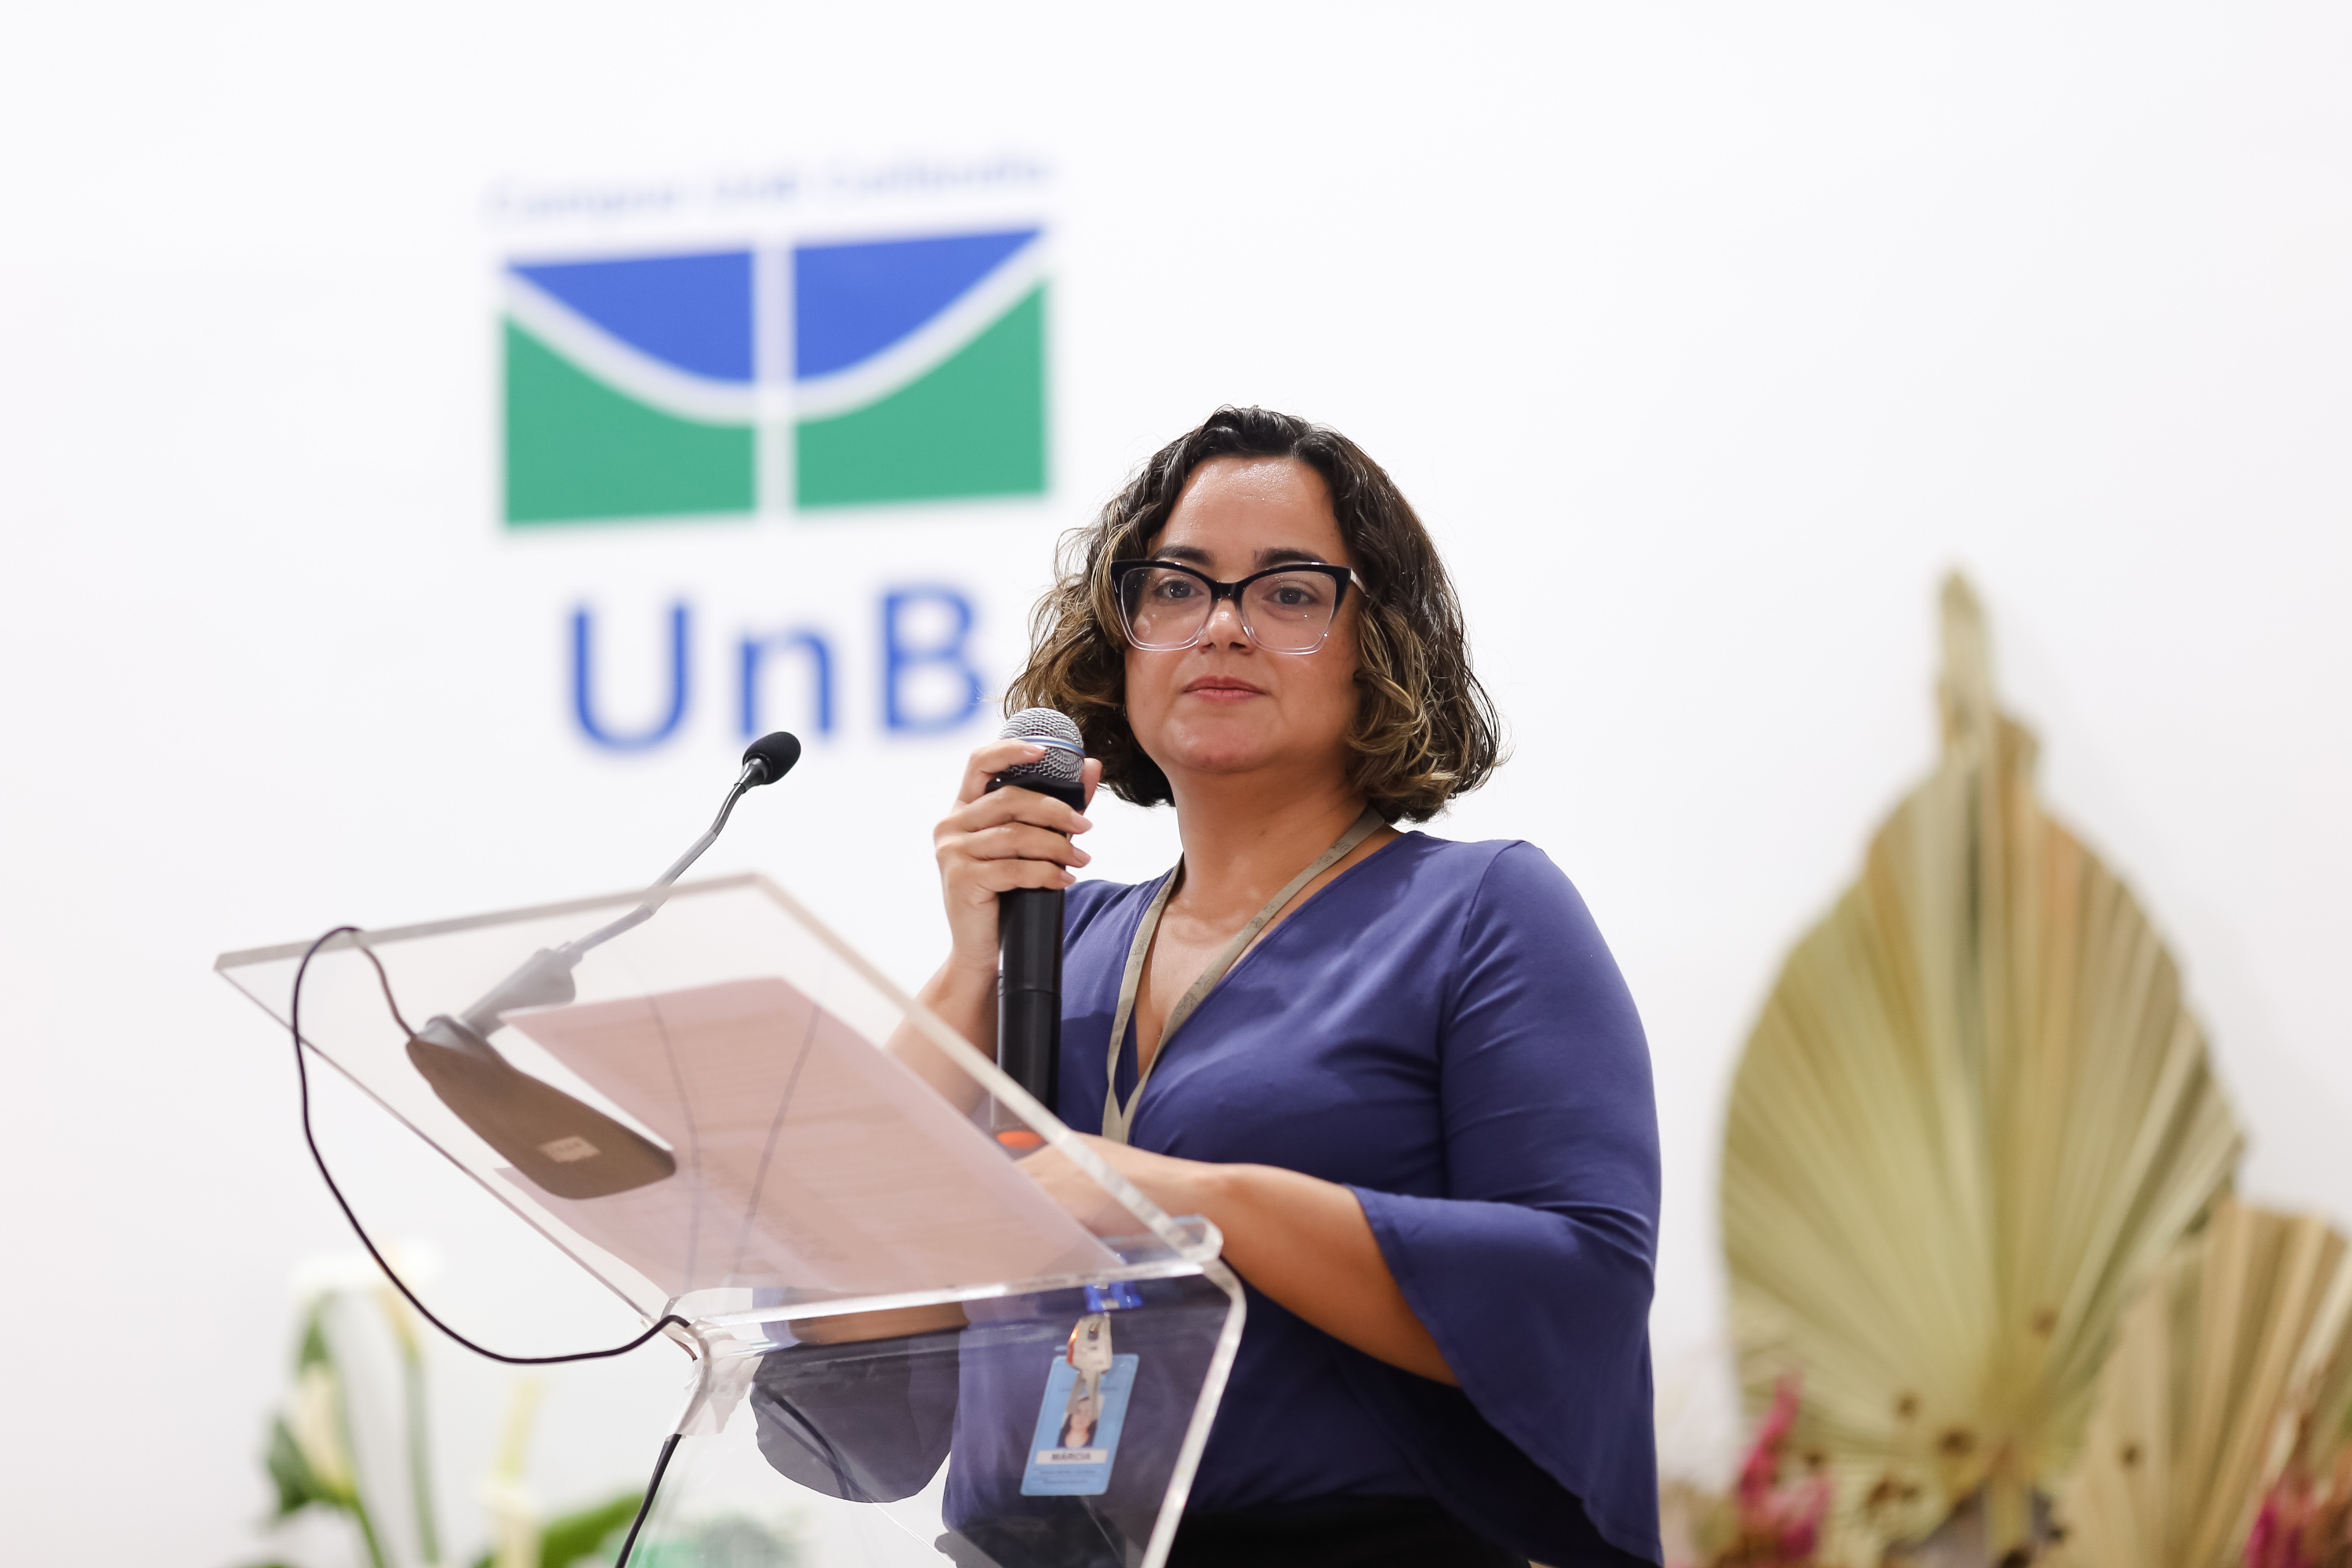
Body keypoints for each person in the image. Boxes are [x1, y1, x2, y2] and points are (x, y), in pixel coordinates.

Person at [915, 406, 1662, 1567]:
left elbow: (1581, 1287)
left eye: (1289, 592)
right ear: (1123, 640)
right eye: (1177, 588)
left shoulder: (1480, 911)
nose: (1222, 625)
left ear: (1378, 647)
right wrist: (975, 962)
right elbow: (847, 1288)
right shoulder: (1054, 948)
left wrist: (1187, 1198)